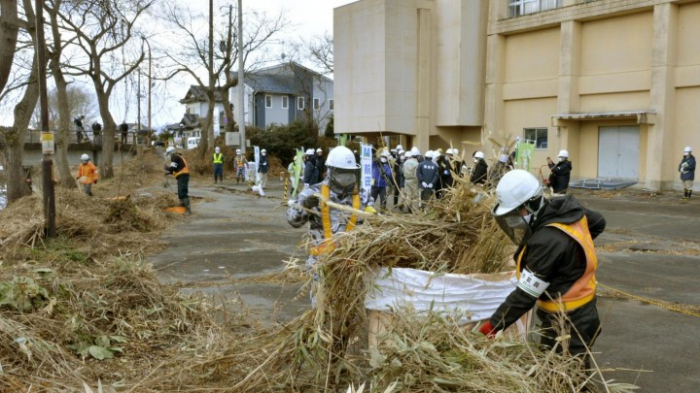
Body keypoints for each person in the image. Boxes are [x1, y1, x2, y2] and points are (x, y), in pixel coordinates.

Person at [480, 170, 606, 370]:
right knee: (556, 369)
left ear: (533, 204)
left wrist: (493, 326)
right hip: (581, 310)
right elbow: (598, 222)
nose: (514, 221)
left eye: (517, 213)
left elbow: (526, 295)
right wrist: (571, 257)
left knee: (570, 377)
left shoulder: (547, 240)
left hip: (570, 321)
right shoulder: (565, 208)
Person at [286, 146, 375, 306]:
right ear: (330, 171)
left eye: (349, 174)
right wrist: (304, 206)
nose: (346, 178)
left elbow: (375, 226)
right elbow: (293, 220)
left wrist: (374, 217)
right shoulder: (313, 192)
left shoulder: (362, 196)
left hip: (353, 267)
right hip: (322, 265)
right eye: (342, 173)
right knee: (323, 310)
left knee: (352, 312)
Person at [165, 146, 191, 214]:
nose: (169, 155)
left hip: (183, 175)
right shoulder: (177, 157)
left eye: (168, 154)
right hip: (182, 176)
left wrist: (167, 168)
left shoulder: (175, 157)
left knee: (183, 192)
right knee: (180, 193)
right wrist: (169, 172)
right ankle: (182, 208)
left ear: (171, 152)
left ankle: (188, 210)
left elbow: (172, 168)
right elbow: (174, 169)